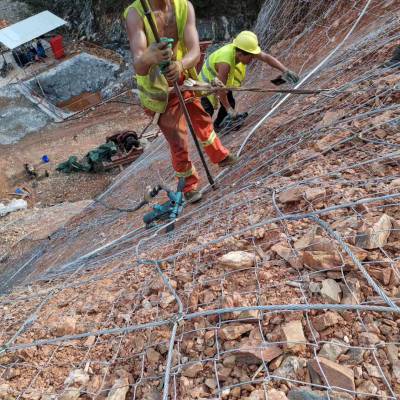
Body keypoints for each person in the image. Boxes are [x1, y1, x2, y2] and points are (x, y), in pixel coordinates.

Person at [124, 0, 238, 204]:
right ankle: (188, 185)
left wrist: (180, 65)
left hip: (182, 79)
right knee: (178, 139)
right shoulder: (135, 14)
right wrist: (149, 57)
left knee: (202, 118)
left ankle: (220, 155)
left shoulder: (184, 7)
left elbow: (194, 51)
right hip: (158, 92)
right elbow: (139, 66)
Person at [200, 31, 300, 131]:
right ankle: (205, 136)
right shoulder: (225, 63)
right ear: (240, 55)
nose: (253, 59)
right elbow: (220, 89)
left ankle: (218, 126)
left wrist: (285, 71)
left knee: (230, 102)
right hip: (205, 85)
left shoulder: (242, 50)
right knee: (206, 112)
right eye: (251, 57)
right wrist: (229, 109)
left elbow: (266, 57)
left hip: (220, 81)